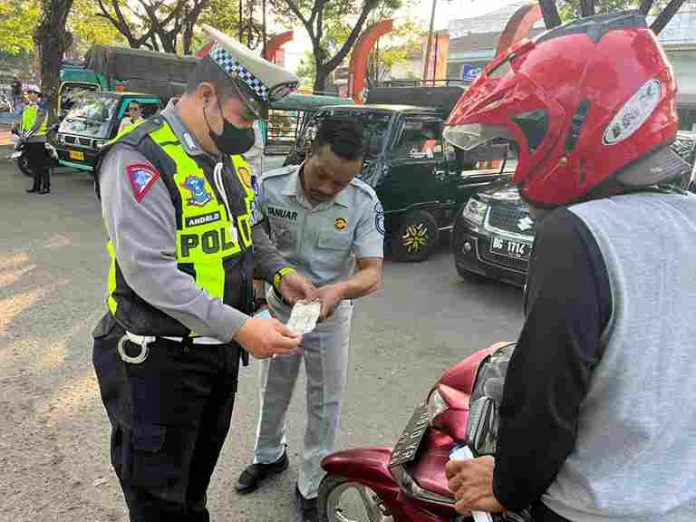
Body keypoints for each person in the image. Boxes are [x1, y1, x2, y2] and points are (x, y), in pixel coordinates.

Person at [443, 12, 696, 521]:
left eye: (523, 141)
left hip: (589, 508)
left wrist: (510, 482)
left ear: (574, 127)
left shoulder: (578, 233)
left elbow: (546, 401)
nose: (520, 168)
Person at [92, 24, 317, 521]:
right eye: (242, 116)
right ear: (206, 95)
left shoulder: (228, 161)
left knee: (193, 487)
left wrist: (280, 273)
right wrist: (241, 327)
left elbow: (247, 232)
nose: (248, 132)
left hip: (217, 356)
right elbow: (150, 272)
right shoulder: (141, 160)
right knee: (159, 500)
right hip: (156, 363)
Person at [236, 117, 385, 522]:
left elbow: (372, 271)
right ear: (309, 151)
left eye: (340, 183)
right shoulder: (268, 188)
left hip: (330, 318)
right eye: (322, 174)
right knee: (273, 391)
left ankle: (313, 482)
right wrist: (258, 303)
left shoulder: (363, 201)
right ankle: (269, 457)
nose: (327, 188)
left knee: (325, 401)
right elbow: (252, 242)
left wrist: (339, 291)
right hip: (279, 312)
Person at [21, 85, 50, 195]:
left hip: (38, 138)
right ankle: (36, 186)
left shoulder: (41, 106)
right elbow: (24, 122)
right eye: (28, 92)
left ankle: (46, 186)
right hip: (29, 139)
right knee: (33, 164)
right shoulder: (27, 106)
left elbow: (38, 123)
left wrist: (27, 134)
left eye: (32, 92)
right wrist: (23, 132)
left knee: (41, 164)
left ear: (37, 94)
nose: (29, 94)